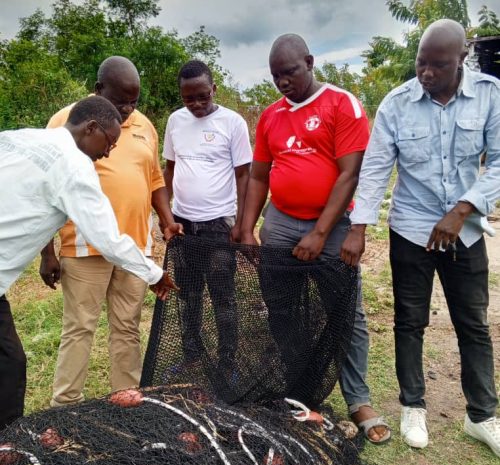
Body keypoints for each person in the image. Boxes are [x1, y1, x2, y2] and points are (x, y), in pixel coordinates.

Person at [341, 19, 499, 456]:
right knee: (410, 322)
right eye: (421, 63)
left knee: (473, 323)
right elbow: (375, 169)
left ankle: (481, 415)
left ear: (462, 59)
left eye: (438, 65)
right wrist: (359, 228)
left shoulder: (489, 95)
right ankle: (413, 405)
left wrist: (463, 209)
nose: (426, 73)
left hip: (463, 233)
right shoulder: (397, 103)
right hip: (411, 229)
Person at [239, 34, 391, 443]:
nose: (283, 82)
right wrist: (247, 226)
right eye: (275, 76)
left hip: (334, 226)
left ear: (309, 62)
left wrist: (322, 233)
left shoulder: (342, 104)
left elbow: (349, 173)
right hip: (281, 223)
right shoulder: (270, 116)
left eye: (289, 72)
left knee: (346, 313)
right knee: (282, 307)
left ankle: (358, 400)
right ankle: (303, 393)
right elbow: (257, 176)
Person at [0, 96, 177, 430]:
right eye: (108, 142)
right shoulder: (75, 167)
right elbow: (108, 239)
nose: (108, 152)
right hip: (85, 255)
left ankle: (8, 443)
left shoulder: (22, 136)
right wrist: (154, 273)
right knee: (11, 363)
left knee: (10, 361)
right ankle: (17, 439)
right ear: (90, 128)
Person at [39, 56, 182, 407]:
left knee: (127, 329)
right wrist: (47, 252)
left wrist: (165, 219)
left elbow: (154, 180)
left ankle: (126, 401)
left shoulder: (145, 125)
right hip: (85, 248)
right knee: (79, 329)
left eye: (134, 100)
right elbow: (44, 187)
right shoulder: (65, 121)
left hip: (135, 249)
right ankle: (66, 406)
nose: (129, 109)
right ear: (99, 89)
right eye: (121, 101)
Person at [162, 60, 252, 375]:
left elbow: (244, 175)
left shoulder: (233, 123)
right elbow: (170, 169)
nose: (197, 104)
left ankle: (227, 362)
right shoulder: (175, 122)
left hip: (218, 225)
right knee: (188, 294)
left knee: (223, 296)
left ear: (213, 89)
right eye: (190, 98)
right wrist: (164, 215)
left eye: (203, 96)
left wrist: (242, 223)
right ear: (181, 95)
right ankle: (191, 357)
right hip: (183, 223)